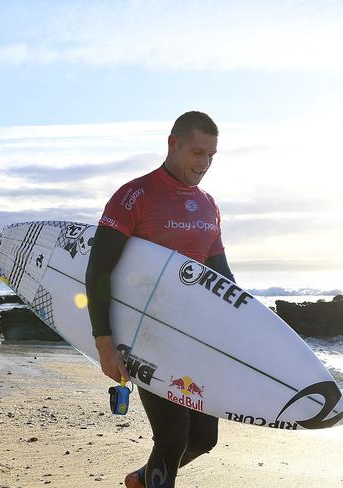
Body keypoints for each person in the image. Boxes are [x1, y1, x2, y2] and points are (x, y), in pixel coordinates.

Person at [85, 111, 235, 488]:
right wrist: (104, 343)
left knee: (204, 438)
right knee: (172, 437)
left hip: (192, 337)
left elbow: (222, 277)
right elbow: (98, 270)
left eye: (211, 155)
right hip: (144, 336)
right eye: (197, 152)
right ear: (173, 144)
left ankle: (141, 480)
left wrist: (248, 331)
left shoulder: (208, 205)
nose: (203, 163)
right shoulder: (135, 195)